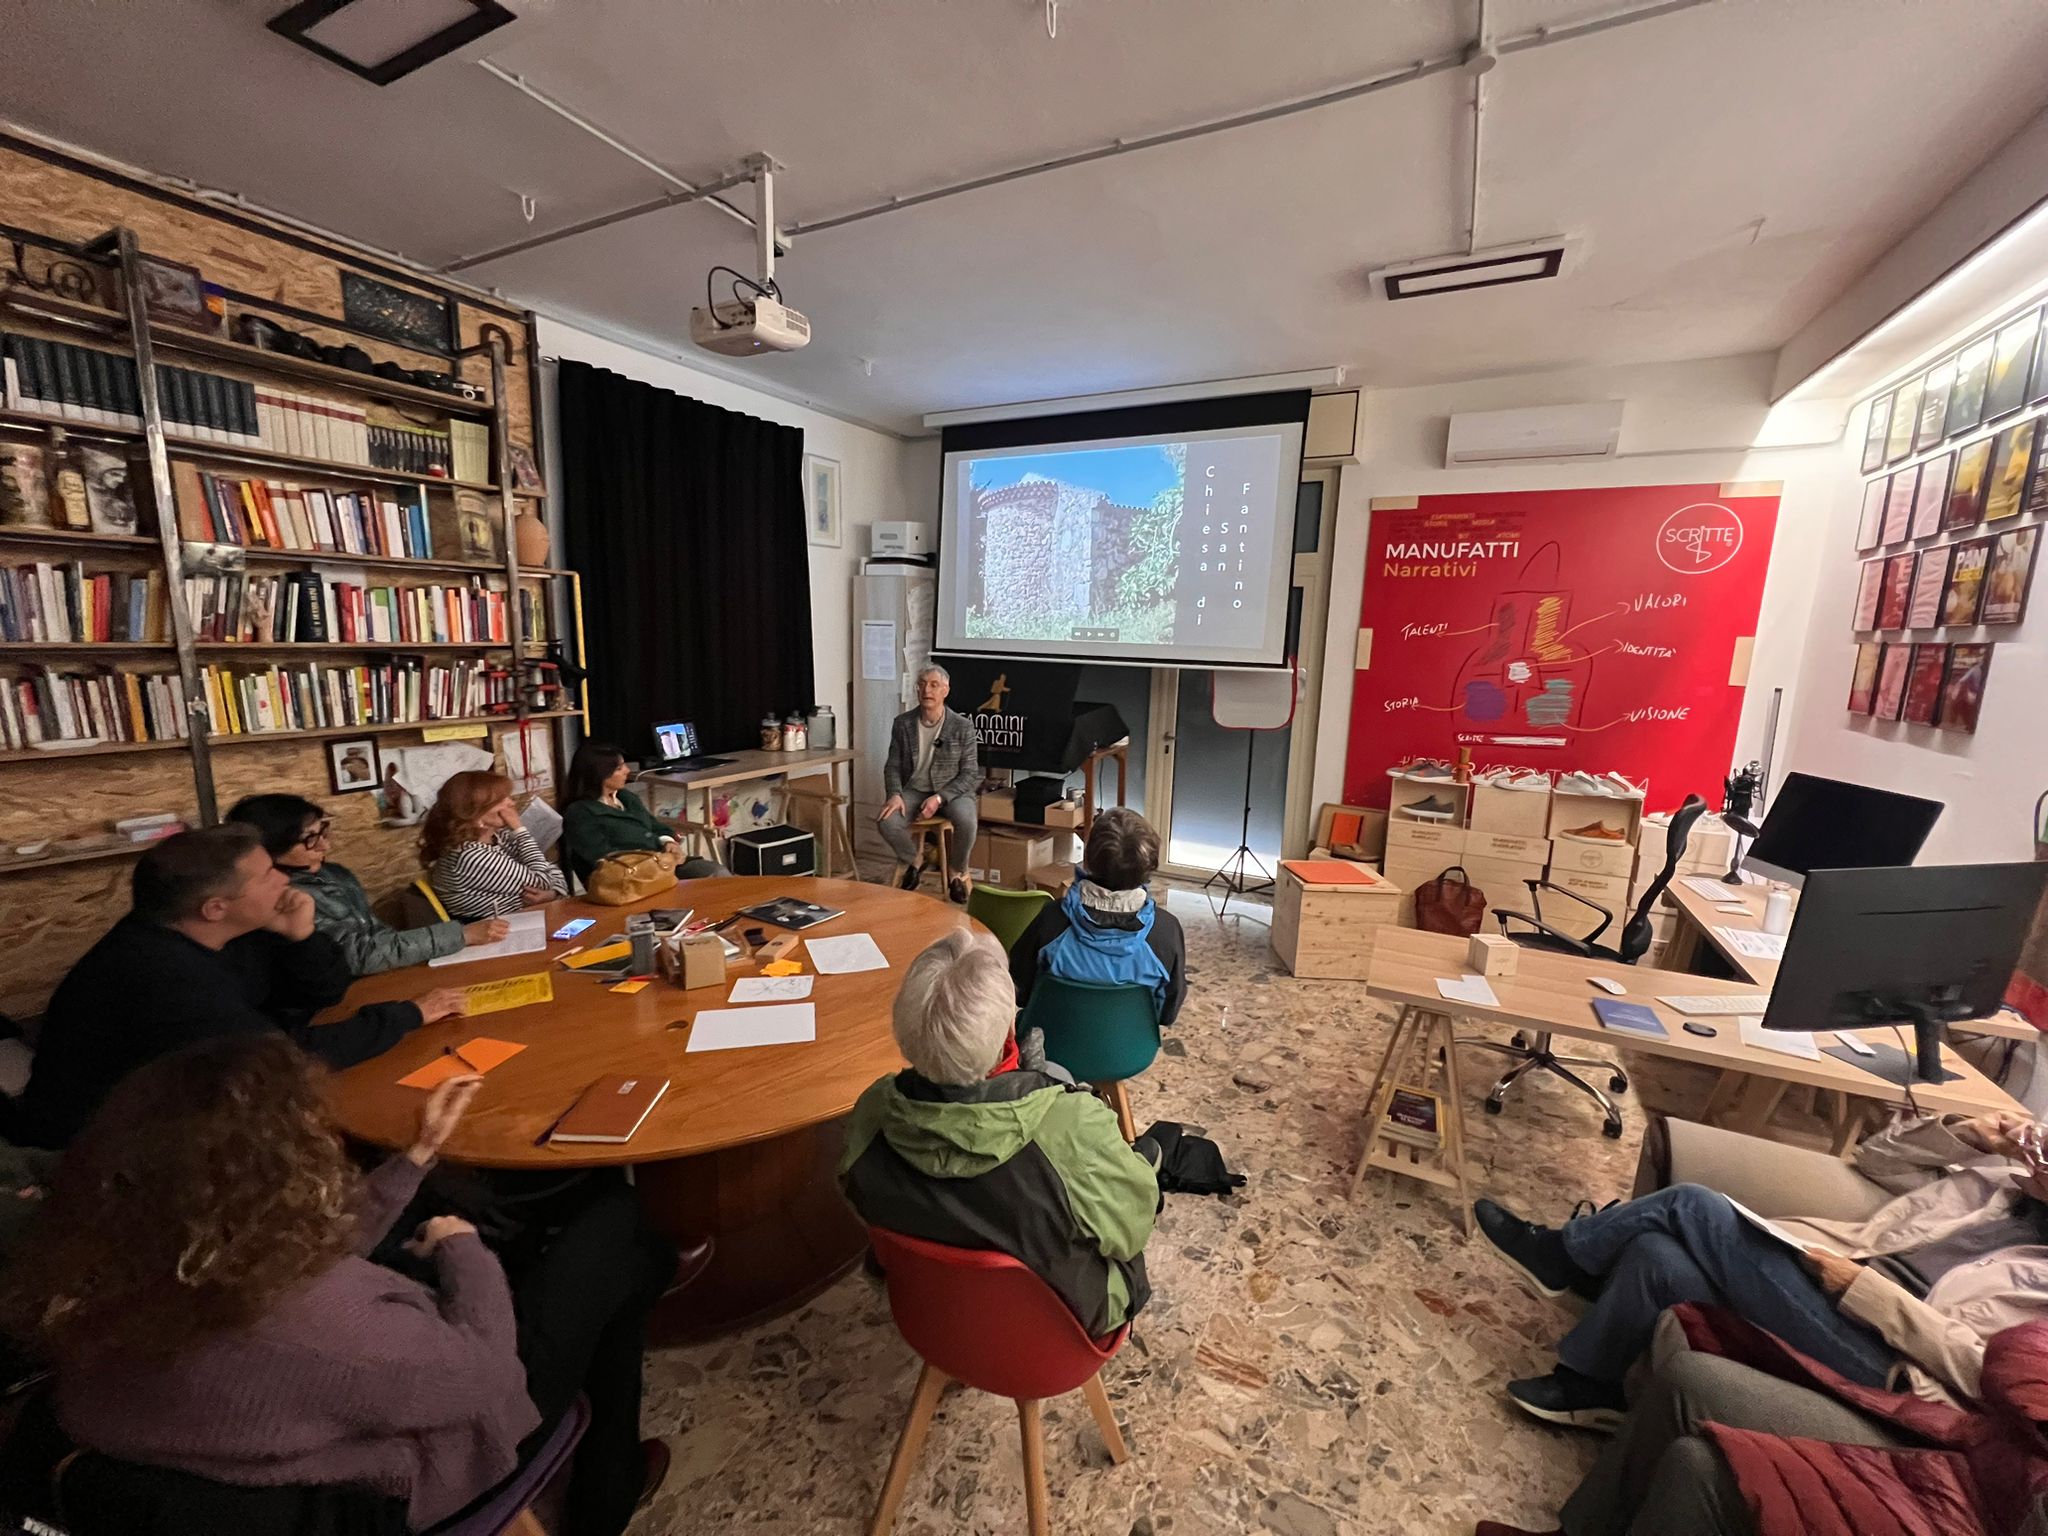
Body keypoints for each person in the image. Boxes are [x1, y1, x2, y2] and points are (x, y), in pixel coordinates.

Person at [2, 1036, 686, 1536]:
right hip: (408, 1478)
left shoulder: (117, 1262)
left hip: (237, 1455)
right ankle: (606, 1493)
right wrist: (463, 1250)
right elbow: (486, 1377)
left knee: (620, 1256)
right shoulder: (329, 1333)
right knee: (614, 1223)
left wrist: (413, 1160)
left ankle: (613, 1459)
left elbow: (278, 1260)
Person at [1473, 1109, 2048, 1430]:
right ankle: (1591, 1387)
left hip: (1894, 1358)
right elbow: (1874, 1160)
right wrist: (1969, 1136)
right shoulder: (2003, 1186)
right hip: (1835, 1279)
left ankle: (1561, 1257)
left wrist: (1871, 1295)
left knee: (1691, 1203)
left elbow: (1990, 1376)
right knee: (1656, 1253)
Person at [17, 825, 463, 1149]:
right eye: (267, 874)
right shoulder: (162, 976)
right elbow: (285, 1057)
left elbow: (325, 992)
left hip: (186, 1097)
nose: (285, 880)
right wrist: (409, 1014)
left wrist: (302, 937)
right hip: (106, 1144)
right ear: (216, 907)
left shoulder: (221, 932)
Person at [1478, 1304, 2048, 1536]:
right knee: (1692, 1378)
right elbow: (2017, 1352)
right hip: (1967, 1451)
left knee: (1701, 1468)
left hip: (1988, 1515)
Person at [839, 929, 1160, 1336]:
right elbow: (1130, 1232)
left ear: (906, 1030)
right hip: (1055, 1332)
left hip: (929, 1312)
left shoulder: (874, 1109)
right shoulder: (1072, 1125)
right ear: (1010, 1030)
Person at [227, 792, 509, 975]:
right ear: (271, 849)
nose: (325, 843)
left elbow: (377, 934)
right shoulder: (282, 896)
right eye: (310, 838)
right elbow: (356, 956)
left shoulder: (335, 873)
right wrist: (460, 936)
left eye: (323, 830)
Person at [1009, 807, 1186, 1028]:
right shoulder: (1165, 930)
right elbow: (1167, 1014)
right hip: (1128, 1051)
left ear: (1089, 859)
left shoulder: (1052, 919)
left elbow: (1019, 989)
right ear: (1149, 867)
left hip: (1054, 1045)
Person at [877, 665, 980, 903]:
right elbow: (892, 765)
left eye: (934, 685)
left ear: (945, 690)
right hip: (914, 788)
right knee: (886, 821)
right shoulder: (903, 723)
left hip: (953, 790)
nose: (927, 690)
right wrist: (894, 794)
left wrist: (940, 798)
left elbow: (969, 774)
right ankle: (914, 859)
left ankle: (956, 871)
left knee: (966, 820)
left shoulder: (962, 726)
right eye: (922, 684)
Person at [558, 742, 722, 885]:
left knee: (716, 873)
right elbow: (603, 858)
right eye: (619, 768)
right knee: (707, 881)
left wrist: (669, 842)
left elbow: (655, 826)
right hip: (630, 879)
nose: (627, 771)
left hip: (665, 865)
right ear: (600, 774)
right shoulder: (580, 813)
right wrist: (656, 862)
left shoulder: (626, 797)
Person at [422, 769, 567, 921]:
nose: (511, 803)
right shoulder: (470, 856)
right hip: (497, 933)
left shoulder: (497, 837)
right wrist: (519, 829)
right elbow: (543, 880)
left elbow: (549, 871)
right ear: (475, 812)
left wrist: (552, 893)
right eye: (501, 800)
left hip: (523, 920)